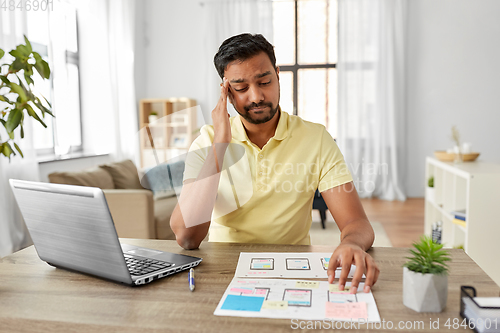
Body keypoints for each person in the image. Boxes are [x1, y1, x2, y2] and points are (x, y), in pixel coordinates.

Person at [170, 33, 379, 294]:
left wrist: (352, 244)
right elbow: (187, 238)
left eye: (264, 81)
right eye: (241, 88)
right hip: (225, 270)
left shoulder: (316, 138)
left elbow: (357, 224)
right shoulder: (208, 141)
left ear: (278, 75)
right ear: (226, 91)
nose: (256, 96)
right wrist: (220, 146)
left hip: (294, 268)